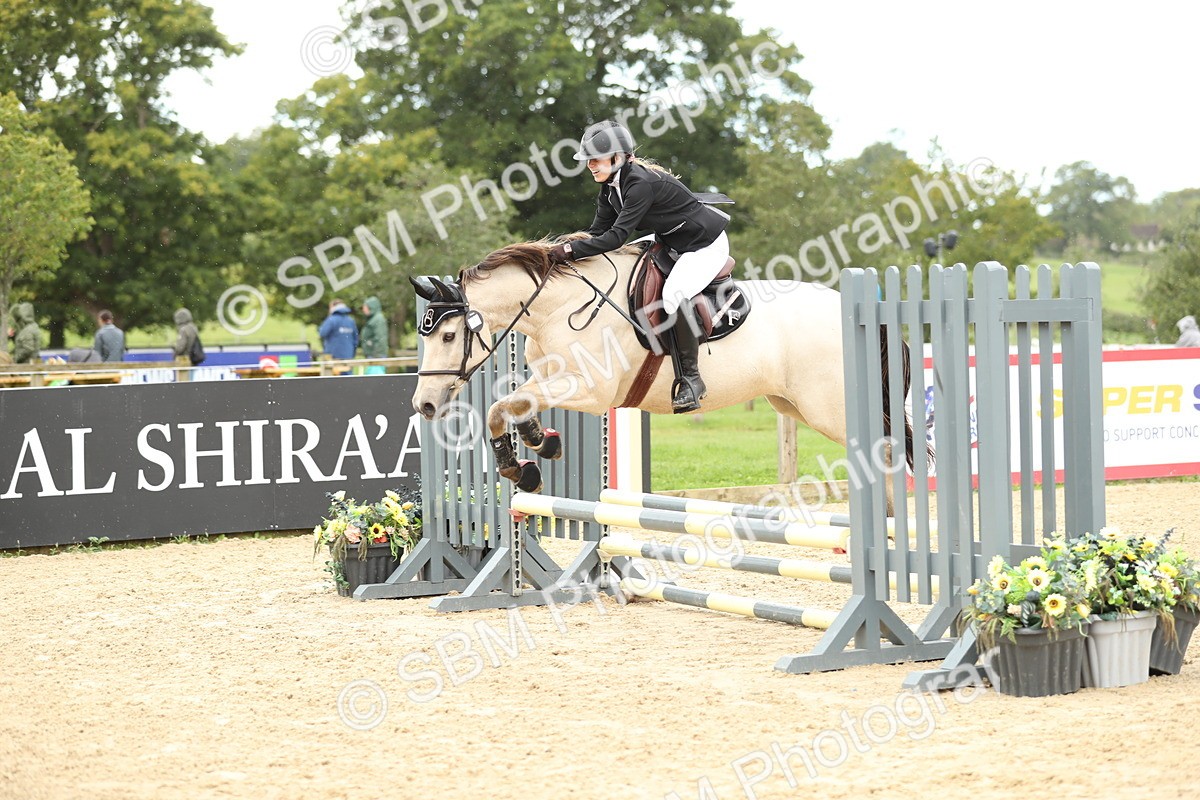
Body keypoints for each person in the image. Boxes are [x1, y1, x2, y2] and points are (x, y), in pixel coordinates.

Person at [547, 120, 731, 413]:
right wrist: (560, 248)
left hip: (703, 244)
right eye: (588, 160)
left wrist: (569, 250)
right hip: (671, 240)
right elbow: (597, 233)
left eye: (596, 159)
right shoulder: (610, 188)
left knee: (673, 295)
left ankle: (692, 380)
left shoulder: (639, 185)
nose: (590, 165)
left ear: (618, 157)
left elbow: (616, 238)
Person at [319, 299, 359, 363]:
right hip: (348, 355)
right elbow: (355, 340)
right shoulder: (351, 321)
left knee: (333, 370)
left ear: (333, 307)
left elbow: (322, 333)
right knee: (347, 369)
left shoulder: (331, 320)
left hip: (333, 356)